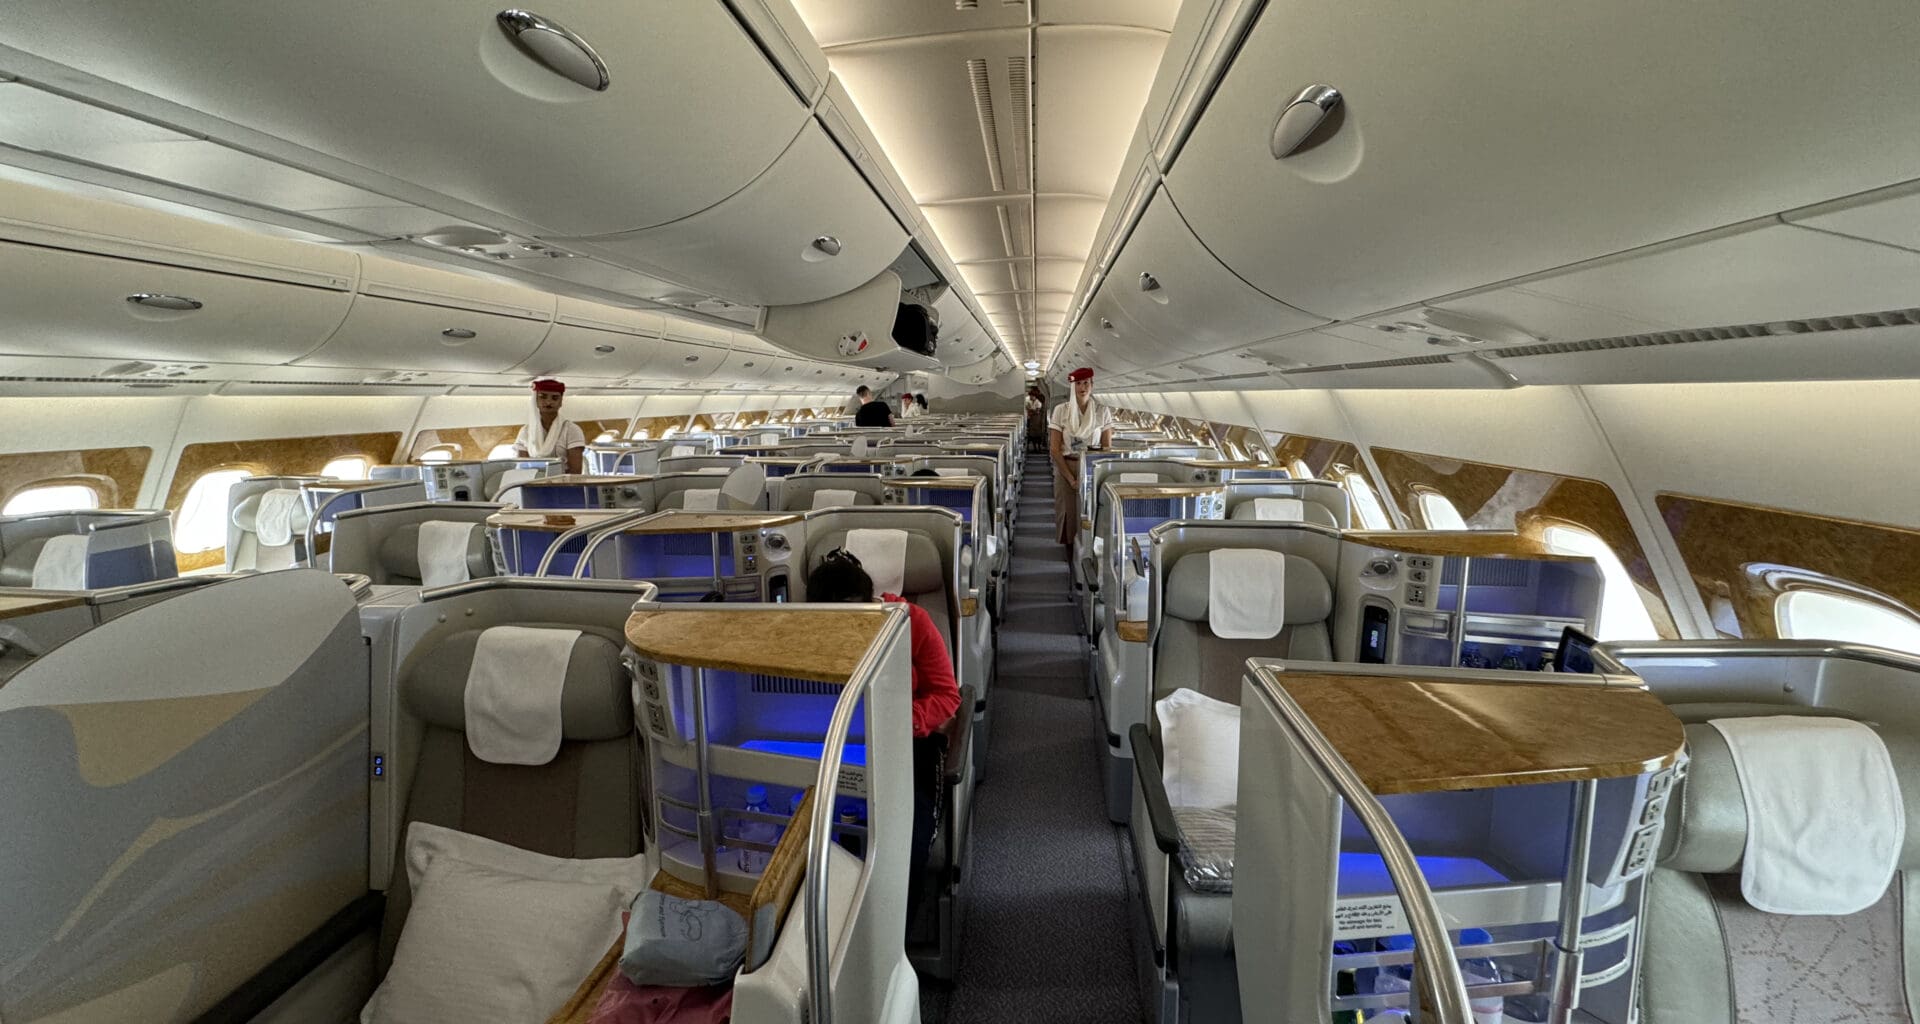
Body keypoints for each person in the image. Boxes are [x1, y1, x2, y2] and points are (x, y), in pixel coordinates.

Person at [805, 549, 960, 925]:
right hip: (835, 743)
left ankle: (892, 936)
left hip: (907, 745)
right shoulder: (806, 630)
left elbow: (947, 695)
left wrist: (898, 720)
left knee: (904, 840)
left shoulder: (911, 622)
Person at [1048, 367, 1113, 546]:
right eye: (1078, 383)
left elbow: (1107, 448)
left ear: (1092, 385)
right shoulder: (1061, 410)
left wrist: (1092, 475)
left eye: (1086, 383)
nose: (1082, 387)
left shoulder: (1102, 411)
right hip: (1066, 466)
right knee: (1068, 517)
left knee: (1092, 517)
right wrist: (1071, 479)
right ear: (1072, 386)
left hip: (1093, 468)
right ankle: (1071, 564)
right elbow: (1055, 449)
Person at [512, 378, 585, 474]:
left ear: (561, 402)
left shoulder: (571, 430)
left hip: (562, 485)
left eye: (555, 398)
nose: (548, 402)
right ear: (535, 400)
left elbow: (575, 472)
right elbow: (522, 469)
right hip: (533, 484)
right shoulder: (525, 431)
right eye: (543, 397)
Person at [1025, 386, 1047, 453]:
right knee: (1033, 436)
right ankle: (1035, 449)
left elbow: (1037, 412)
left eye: (1031, 396)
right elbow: (1031, 411)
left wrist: (1031, 410)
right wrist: (1031, 411)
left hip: (1037, 422)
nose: (1030, 397)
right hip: (1033, 421)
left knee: (1038, 436)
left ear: (1034, 396)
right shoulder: (1032, 402)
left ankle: (1039, 449)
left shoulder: (1038, 402)